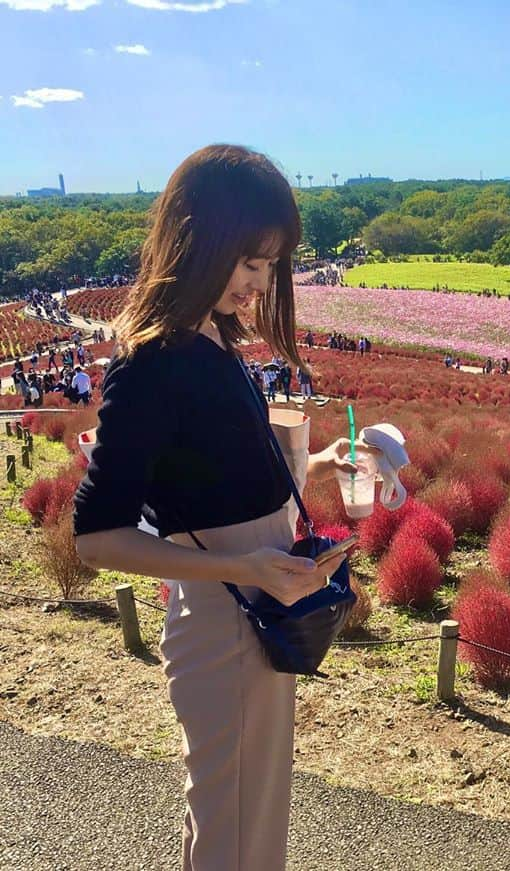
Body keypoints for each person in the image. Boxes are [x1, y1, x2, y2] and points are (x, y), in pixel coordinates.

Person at [72, 145, 371, 871]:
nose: (258, 283)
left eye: (269, 267)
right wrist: (244, 565)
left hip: (253, 608)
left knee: (234, 823)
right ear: (197, 239)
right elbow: (96, 535)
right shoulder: (153, 361)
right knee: (239, 837)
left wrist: (321, 463)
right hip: (228, 620)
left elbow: (216, 472)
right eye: (249, 261)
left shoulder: (211, 337)